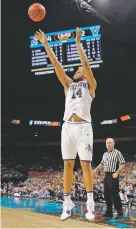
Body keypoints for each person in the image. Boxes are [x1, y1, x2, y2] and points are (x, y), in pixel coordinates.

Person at [35, 27, 97, 221]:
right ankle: (67, 202)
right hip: (67, 127)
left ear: (86, 75)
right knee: (67, 165)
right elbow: (57, 66)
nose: (78, 70)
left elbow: (86, 63)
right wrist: (46, 44)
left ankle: (90, 203)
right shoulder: (68, 85)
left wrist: (78, 44)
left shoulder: (91, 85)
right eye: (77, 70)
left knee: (85, 165)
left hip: (84, 127)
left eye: (81, 70)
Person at [93, 138, 125, 219]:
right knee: (106, 194)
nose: (108, 144)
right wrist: (96, 169)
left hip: (113, 174)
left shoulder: (117, 152)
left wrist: (117, 172)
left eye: (110, 143)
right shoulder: (105, 154)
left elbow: (122, 164)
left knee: (115, 194)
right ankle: (109, 212)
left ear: (113, 144)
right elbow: (102, 164)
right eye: (107, 143)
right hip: (106, 175)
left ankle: (120, 213)